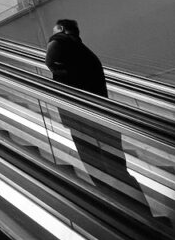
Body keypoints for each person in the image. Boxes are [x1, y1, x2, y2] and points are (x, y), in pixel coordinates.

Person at [45, 19, 151, 214]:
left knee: (94, 165)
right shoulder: (89, 54)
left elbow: (50, 62)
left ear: (61, 29)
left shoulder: (59, 41)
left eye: (54, 30)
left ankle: (113, 212)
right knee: (117, 166)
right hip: (103, 114)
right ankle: (142, 212)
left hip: (79, 114)